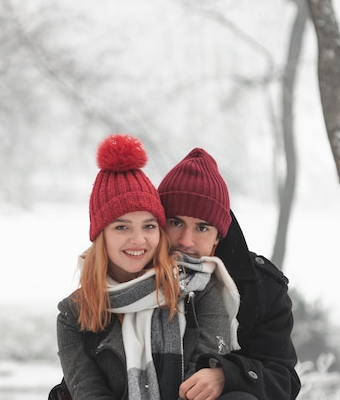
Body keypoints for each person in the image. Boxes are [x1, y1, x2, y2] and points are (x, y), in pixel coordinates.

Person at [53, 135, 241, 400]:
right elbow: (89, 393)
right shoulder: (73, 314)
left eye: (149, 226)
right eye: (122, 227)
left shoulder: (198, 289)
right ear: (100, 235)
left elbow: (199, 384)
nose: (138, 240)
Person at [157, 147, 301, 400]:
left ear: (218, 236)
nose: (186, 240)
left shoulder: (261, 288)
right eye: (176, 222)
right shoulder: (127, 274)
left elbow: (283, 380)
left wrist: (228, 375)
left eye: (202, 228)